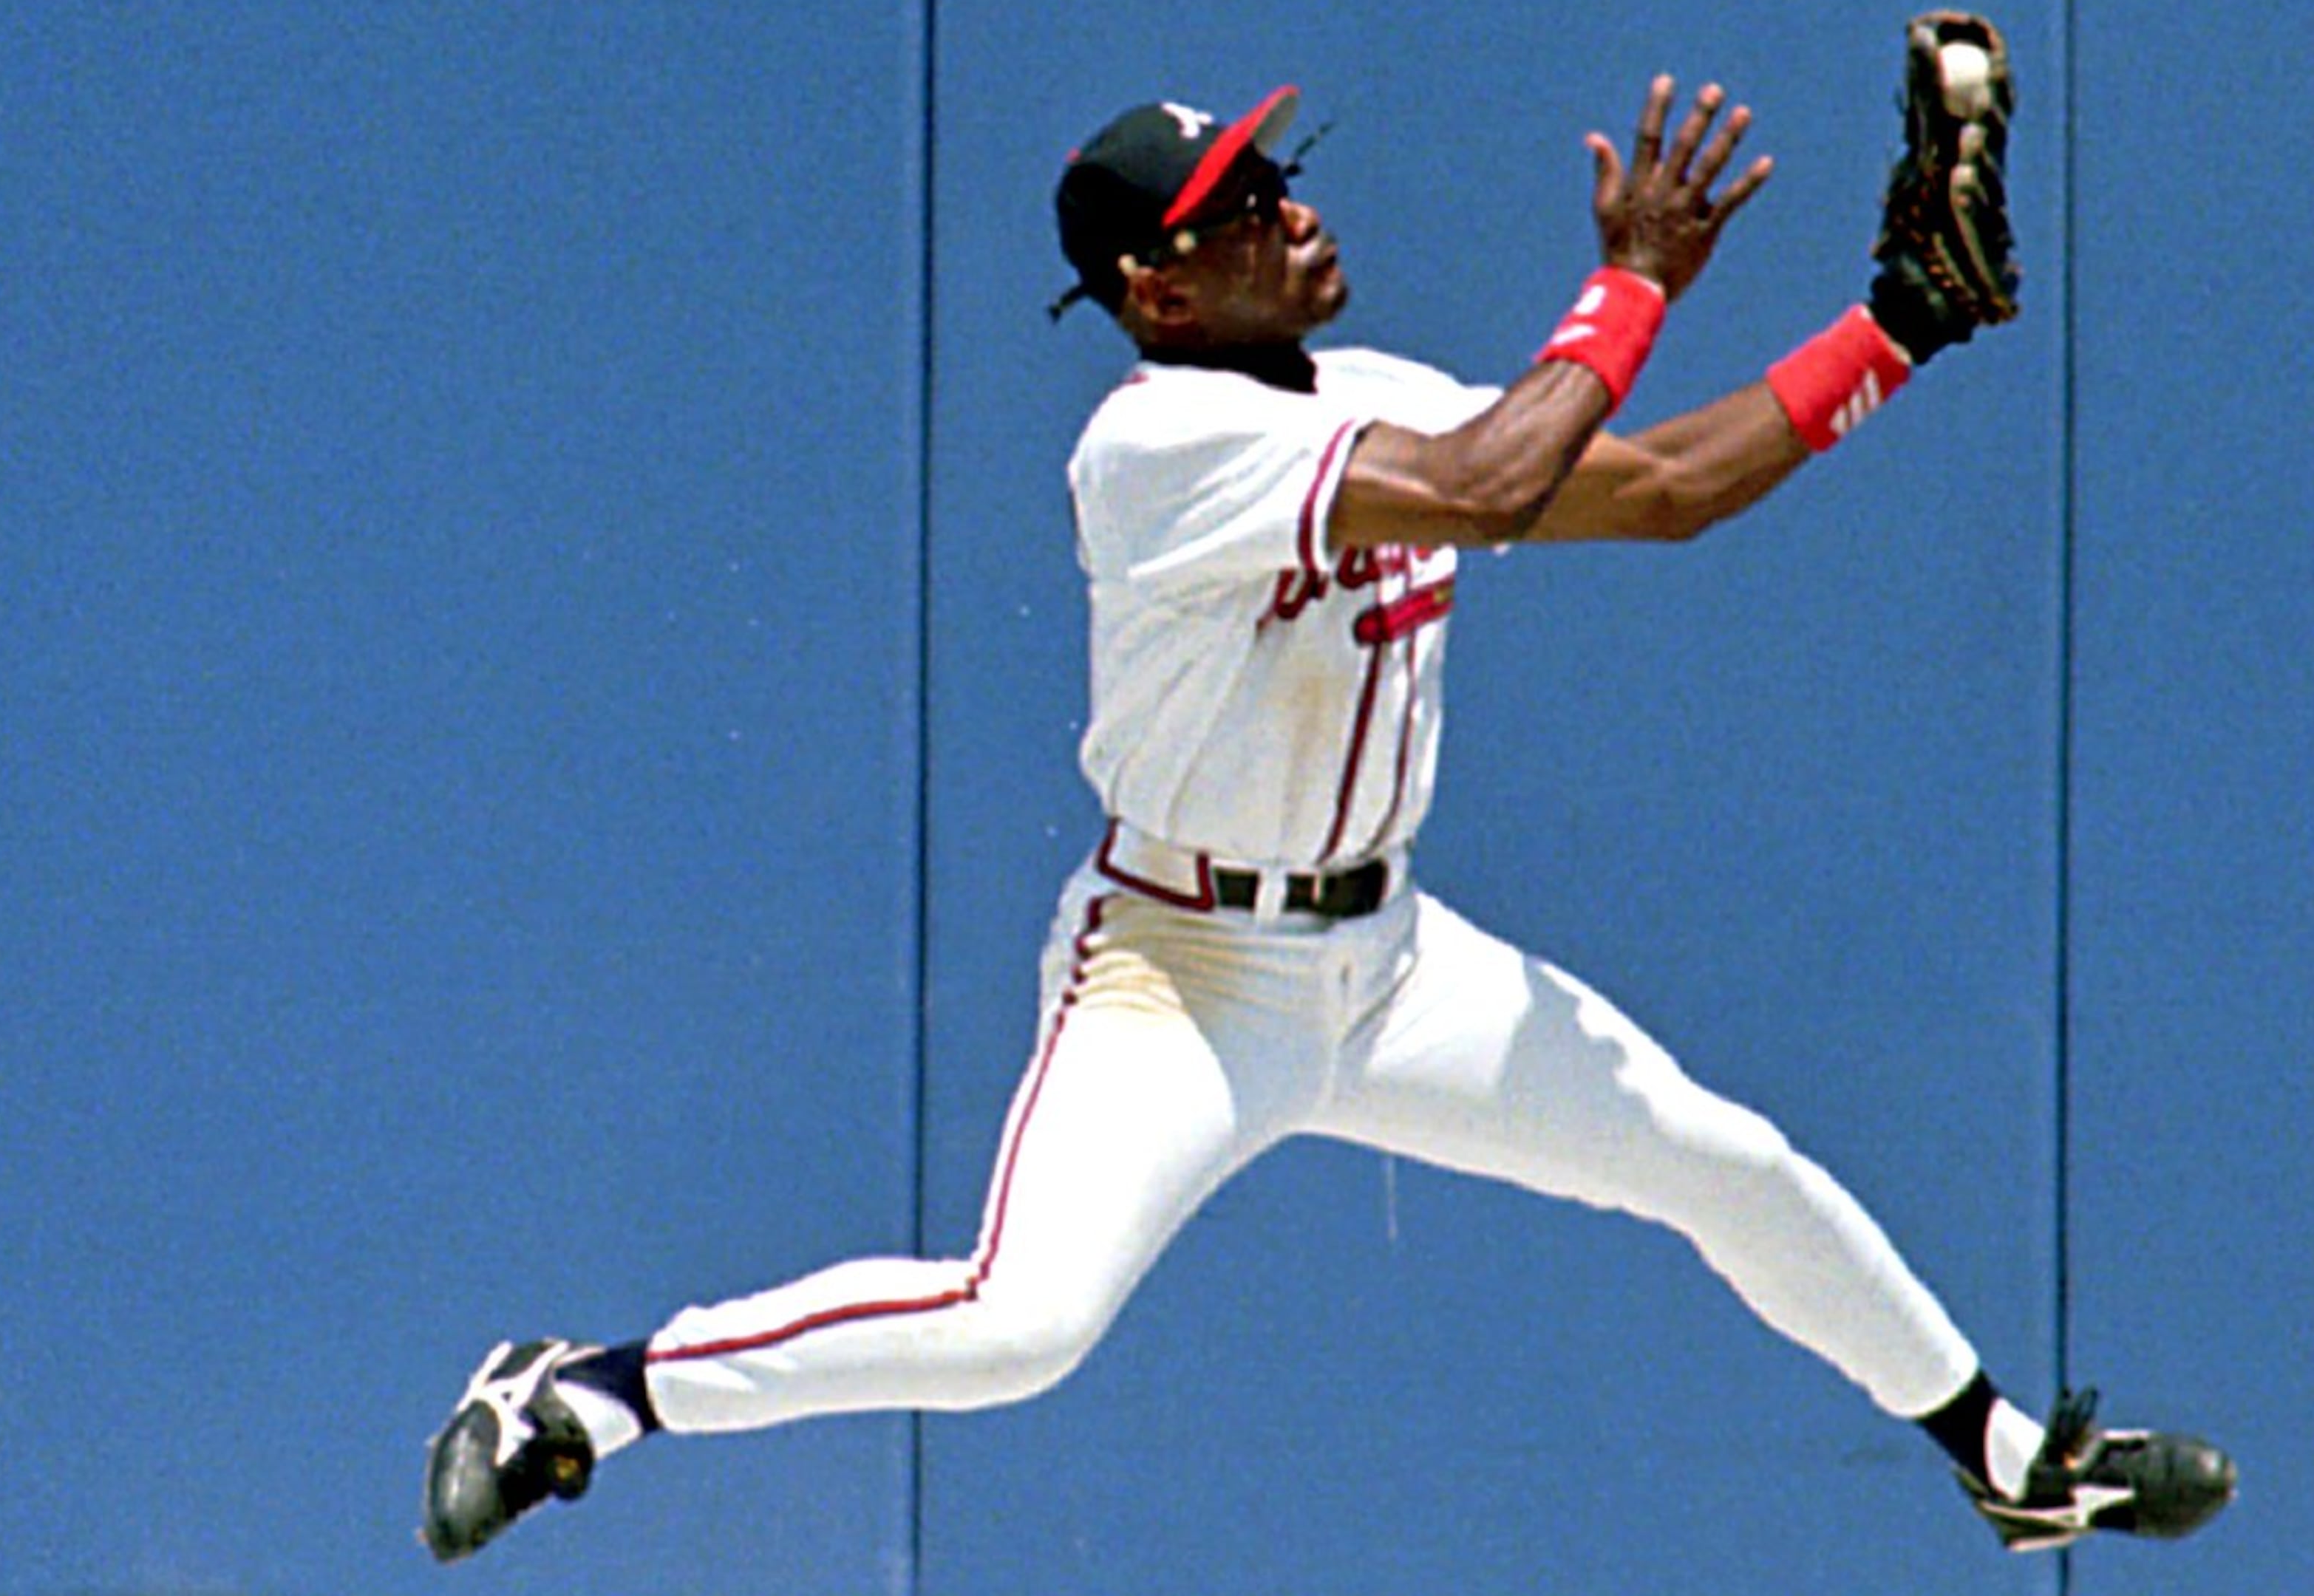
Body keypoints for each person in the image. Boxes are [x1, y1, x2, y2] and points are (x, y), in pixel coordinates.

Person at [420, 47, 2236, 1569]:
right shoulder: (1151, 448)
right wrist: (1636, 282)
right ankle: (592, 1386)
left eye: (1279, 174)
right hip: (1179, 976)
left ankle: (2009, 1459)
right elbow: (1497, 480)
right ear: (1160, 292)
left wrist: (1896, 326)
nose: (1291, 209)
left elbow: (1665, 487)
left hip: (1389, 961)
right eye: (1239, 210)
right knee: (1016, 1324)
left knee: (1724, 1164)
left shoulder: (1363, 393)